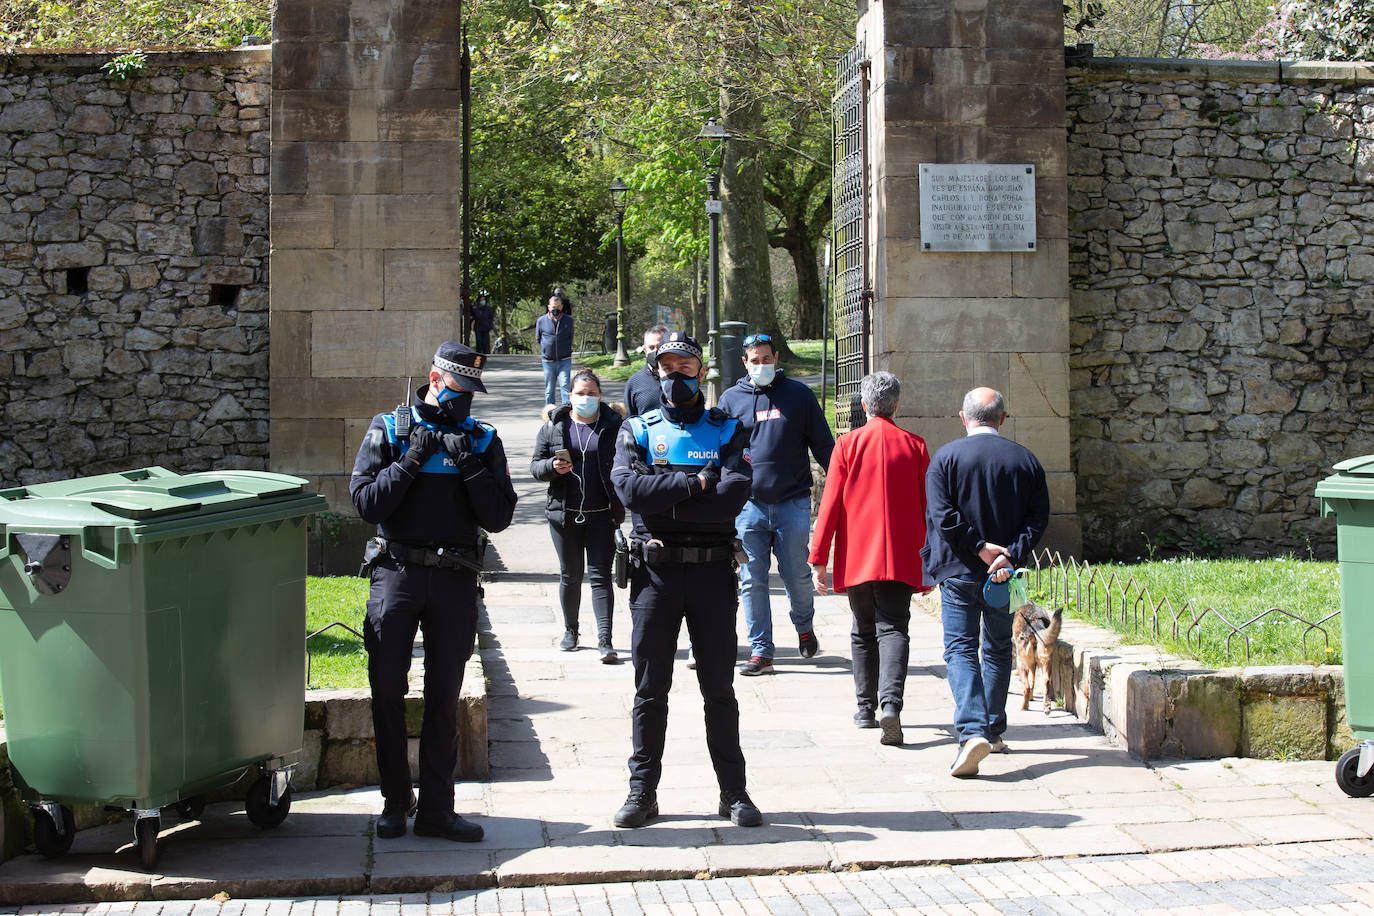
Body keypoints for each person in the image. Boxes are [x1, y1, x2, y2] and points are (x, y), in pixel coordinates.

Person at [351, 341, 518, 841]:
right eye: (458, 388)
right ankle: (396, 801)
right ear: (435, 378)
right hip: (397, 572)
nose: (464, 399)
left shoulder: (483, 439)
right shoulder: (390, 429)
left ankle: (438, 810)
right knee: (386, 689)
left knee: (445, 696)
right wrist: (409, 462)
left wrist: (469, 468)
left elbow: (500, 516)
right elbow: (365, 503)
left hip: (455, 577)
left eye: (473, 391)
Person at [609, 330, 762, 829]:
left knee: (719, 687)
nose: (676, 376)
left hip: (714, 573)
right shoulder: (637, 428)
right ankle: (642, 792)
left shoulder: (727, 428)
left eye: (685, 367)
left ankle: (734, 792)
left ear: (702, 371)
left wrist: (667, 494)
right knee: (650, 689)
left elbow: (734, 494)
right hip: (655, 574)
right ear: (656, 371)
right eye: (667, 367)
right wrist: (696, 482)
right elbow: (631, 491)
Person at [922, 387, 1050, 778]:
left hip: (960, 570)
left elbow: (943, 516)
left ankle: (973, 730)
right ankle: (993, 729)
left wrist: (978, 547)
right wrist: (1008, 554)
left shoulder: (945, 459)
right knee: (996, 648)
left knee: (961, 649)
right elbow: (1038, 516)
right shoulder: (1026, 460)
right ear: (1003, 418)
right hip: (1004, 575)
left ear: (964, 417)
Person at [808, 371, 929, 747]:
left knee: (863, 631)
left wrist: (819, 557)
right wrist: (931, 563)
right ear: (896, 404)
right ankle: (891, 704)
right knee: (894, 628)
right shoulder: (915, 445)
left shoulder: (847, 445)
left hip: (858, 554)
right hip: (902, 553)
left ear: (864, 405)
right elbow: (929, 507)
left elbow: (829, 504)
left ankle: (865, 708)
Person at [717, 332, 834, 676]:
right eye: (755, 361)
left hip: (792, 503)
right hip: (748, 505)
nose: (761, 366)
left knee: (797, 575)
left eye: (766, 359)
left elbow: (825, 446)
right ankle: (761, 650)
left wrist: (845, 487)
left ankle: (804, 626)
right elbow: (719, 452)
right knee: (752, 579)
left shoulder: (798, 396)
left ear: (777, 358)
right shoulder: (730, 400)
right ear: (744, 363)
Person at [530, 367, 626, 663]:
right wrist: (551, 468)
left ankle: (605, 640)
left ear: (600, 396)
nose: (586, 398)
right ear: (570, 396)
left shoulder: (615, 426)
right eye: (581, 394)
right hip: (564, 514)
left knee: (600, 577)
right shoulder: (554, 426)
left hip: (602, 514)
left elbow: (627, 463)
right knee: (570, 575)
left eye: (592, 394)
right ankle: (570, 631)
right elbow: (536, 466)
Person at [536, 293, 574, 406]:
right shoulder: (541, 321)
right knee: (549, 390)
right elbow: (538, 338)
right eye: (553, 307)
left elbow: (570, 337)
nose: (555, 309)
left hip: (565, 360)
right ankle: (550, 413)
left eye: (558, 307)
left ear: (561, 307)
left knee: (565, 387)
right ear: (549, 307)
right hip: (548, 361)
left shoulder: (568, 320)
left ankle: (566, 413)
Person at [623, 324, 668, 417]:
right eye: (651, 347)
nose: (656, 351)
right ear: (645, 350)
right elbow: (630, 420)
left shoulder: (682, 376)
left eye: (660, 346)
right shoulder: (634, 382)